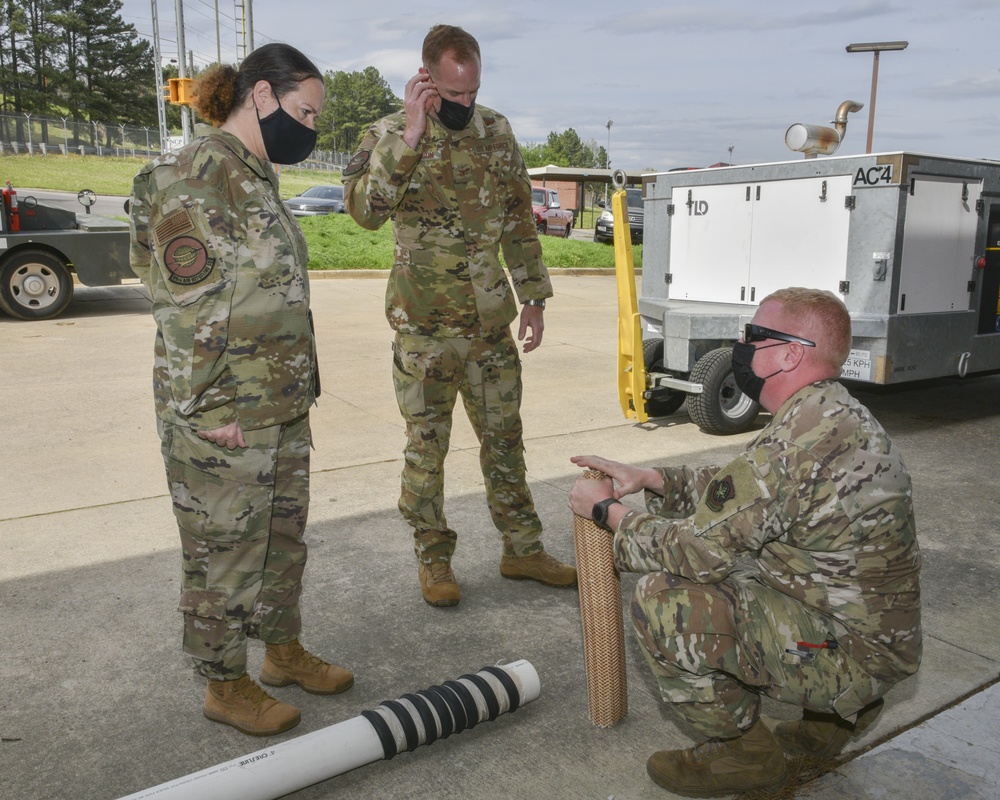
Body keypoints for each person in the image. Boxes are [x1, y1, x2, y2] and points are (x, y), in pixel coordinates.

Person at [569, 288, 921, 797]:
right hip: (873, 636)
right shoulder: (832, 413)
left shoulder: (795, 444)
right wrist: (648, 477)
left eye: (755, 335)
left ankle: (745, 758)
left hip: (848, 652)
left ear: (790, 353)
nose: (742, 344)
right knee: (755, 565)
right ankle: (831, 724)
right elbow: (739, 491)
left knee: (666, 601)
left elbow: (696, 551)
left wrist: (607, 513)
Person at [128, 43, 354, 738]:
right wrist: (217, 405)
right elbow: (187, 304)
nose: (311, 128)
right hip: (225, 409)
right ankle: (224, 683)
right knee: (222, 549)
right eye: (304, 111)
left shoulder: (254, 176)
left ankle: (281, 652)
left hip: (279, 404)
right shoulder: (193, 173)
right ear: (260, 96)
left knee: (282, 540)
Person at [343, 24, 576, 607]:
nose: (465, 106)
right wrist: (414, 132)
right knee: (427, 448)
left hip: (489, 326)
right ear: (426, 81)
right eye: (452, 96)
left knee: (505, 441)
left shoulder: (496, 131)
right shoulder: (388, 133)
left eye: (472, 93)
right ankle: (434, 559)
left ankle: (521, 549)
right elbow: (364, 212)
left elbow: (521, 219)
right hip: (424, 330)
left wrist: (535, 299)